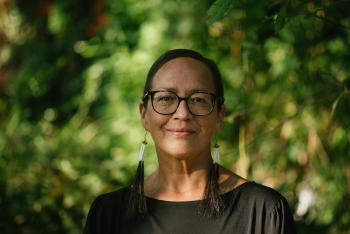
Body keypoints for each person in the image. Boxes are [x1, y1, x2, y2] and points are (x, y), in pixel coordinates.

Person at [83, 49, 296, 234]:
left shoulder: (262, 211)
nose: (182, 114)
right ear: (144, 115)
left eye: (198, 100)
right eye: (166, 98)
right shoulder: (108, 215)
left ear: (220, 115)